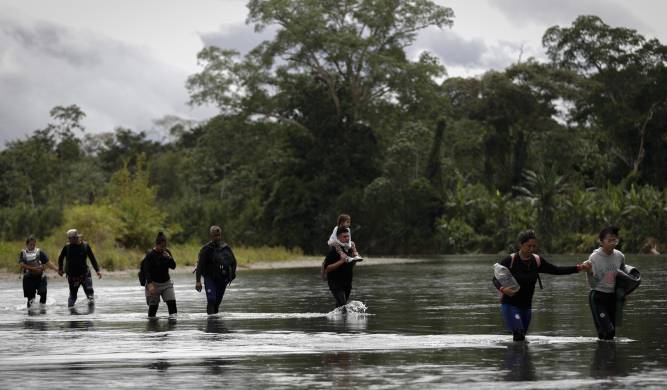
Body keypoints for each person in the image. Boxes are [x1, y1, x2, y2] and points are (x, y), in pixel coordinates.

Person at [493, 230, 586, 341]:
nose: (532, 249)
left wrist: (577, 268)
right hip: (510, 305)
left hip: (526, 307)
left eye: (534, 246)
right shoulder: (511, 260)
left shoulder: (537, 261)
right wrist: (503, 289)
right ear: (521, 245)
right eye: (529, 246)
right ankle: (514, 357)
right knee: (519, 334)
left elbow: (556, 270)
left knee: (521, 339)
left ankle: (521, 358)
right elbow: (495, 279)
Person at [582, 226, 626, 340]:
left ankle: (604, 356)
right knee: (609, 330)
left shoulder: (620, 256)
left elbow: (623, 276)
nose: (612, 243)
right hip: (598, 297)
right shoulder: (594, 257)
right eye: (609, 240)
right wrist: (589, 271)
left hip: (612, 298)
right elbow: (592, 285)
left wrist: (624, 293)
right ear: (601, 241)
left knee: (609, 335)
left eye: (615, 240)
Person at [195, 226, 237, 315]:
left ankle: (215, 325)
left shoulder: (226, 248)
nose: (217, 237)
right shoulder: (206, 249)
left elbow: (233, 262)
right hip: (209, 278)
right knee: (211, 300)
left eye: (218, 235)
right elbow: (200, 266)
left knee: (217, 303)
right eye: (215, 236)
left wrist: (231, 276)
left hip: (222, 279)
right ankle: (210, 323)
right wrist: (198, 281)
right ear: (211, 236)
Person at [57, 229, 102, 308]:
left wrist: (97, 270)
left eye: (70, 238)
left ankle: (91, 314)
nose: (69, 240)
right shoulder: (67, 247)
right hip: (72, 276)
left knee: (90, 294)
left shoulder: (85, 246)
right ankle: (71, 314)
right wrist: (60, 269)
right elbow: (61, 258)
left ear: (75, 238)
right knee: (72, 297)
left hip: (85, 275)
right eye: (68, 238)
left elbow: (92, 258)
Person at [323, 228, 362, 309]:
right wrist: (341, 261)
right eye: (344, 237)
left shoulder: (350, 248)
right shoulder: (334, 250)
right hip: (335, 282)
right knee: (343, 304)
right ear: (338, 238)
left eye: (348, 236)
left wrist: (355, 260)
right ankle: (338, 320)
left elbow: (350, 265)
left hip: (347, 282)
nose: (347, 238)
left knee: (341, 306)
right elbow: (327, 268)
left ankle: (335, 320)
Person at [142, 232, 177, 318]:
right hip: (154, 284)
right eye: (162, 246)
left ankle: (172, 328)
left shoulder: (166, 252)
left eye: (165, 246)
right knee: (153, 309)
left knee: (172, 304)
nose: (163, 248)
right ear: (156, 245)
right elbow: (146, 271)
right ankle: (152, 327)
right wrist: (150, 285)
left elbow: (173, 266)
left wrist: (169, 258)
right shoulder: (150, 255)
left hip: (166, 283)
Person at [18, 236, 59, 308]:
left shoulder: (39, 252)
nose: (33, 246)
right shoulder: (23, 253)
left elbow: (48, 263)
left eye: (34, 244)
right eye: (31, 244)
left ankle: (42, 311)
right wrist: (34, 268)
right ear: (27, 245)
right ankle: (30, 315)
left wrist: (57, 270)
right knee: (31, 299)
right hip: (29, 279)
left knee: (43, 294)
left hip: (40, 278)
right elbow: (22, 264)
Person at [321, 214, 362, 280]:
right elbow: (334, 237)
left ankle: (355, 254)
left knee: (352, 243)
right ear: (341, 222)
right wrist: (340, 243)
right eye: (347, 222)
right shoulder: (336, 228)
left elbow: (349, 239)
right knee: (336, 245)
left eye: (349, 222)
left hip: (343, 243)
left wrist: (348, 245)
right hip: (335, 242)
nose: (349, 224)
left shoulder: (348, 229)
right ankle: (342, 254)